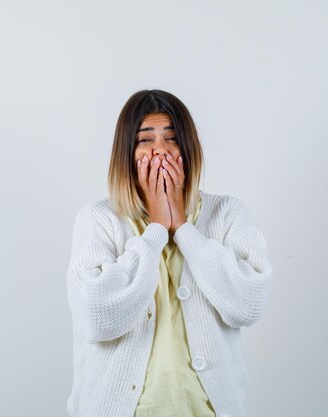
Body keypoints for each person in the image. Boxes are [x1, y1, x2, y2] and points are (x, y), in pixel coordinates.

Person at [65, 89, 273, 417]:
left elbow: (247, 306)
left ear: (188, 150)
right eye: (145, 140)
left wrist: (183, 229)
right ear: (126, 153)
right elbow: (97, 318)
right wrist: (157, 230)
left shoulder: (227, 213)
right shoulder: (98, 219)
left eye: (172, 138)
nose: (160, 149)